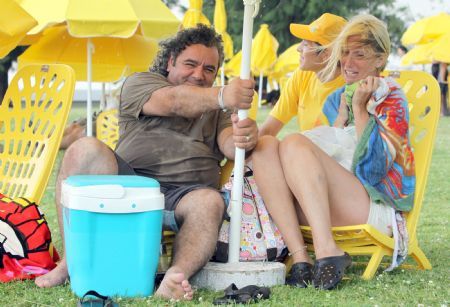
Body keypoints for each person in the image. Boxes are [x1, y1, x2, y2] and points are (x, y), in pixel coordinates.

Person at [35, 25, 257, 301]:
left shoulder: (218, 111)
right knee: (83, 149)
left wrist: (243, 137)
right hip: (130, 185)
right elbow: (174, 102)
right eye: (190, 64)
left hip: (186, 195)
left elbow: (229, 143)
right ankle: (70, 262)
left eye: (209, 69)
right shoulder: (141, 83)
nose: (199, 75)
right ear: (170, 61)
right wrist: (223, 94)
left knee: (210, 202)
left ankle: (175, 278)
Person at [252, 14, 415, 290]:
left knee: (293, 142)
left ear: (380, 58)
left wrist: (361, 111)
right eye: (345, 54)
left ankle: (328, 250)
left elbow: (373, 170)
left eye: (359, 55)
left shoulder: (392, 98)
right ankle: (300, 257)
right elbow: (335, 151)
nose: (348, 64)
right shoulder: (336, 99)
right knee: (265, 146)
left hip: (374, 208)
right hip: (328, 204)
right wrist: (342, 117)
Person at [259, 13, 347, 137]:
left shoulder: (350, 87)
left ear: (325, 55)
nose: (298, 48)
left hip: (336, 155)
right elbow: (267, 131)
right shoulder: (302, 76)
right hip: (305, 153)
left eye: (306, 44)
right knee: (268, 144)